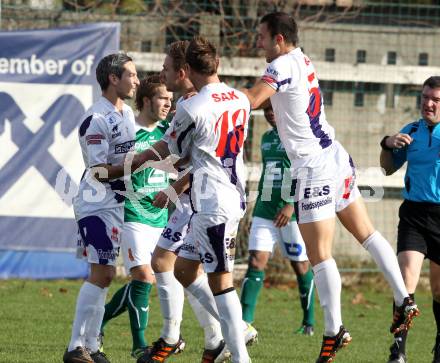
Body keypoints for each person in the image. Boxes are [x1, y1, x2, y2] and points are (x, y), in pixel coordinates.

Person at [241, 12, 419, 363]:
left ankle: (333, 331)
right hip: (335, 156)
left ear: (278, 39)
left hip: (313, 168)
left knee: (320, 254)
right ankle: (404, 298)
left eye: (261, 36)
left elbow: (252, 98)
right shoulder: (302, 58)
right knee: (367, 233)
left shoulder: (282, 65)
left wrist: (212, 95)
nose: (257, 42)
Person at [135, 36, 251, 363]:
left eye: (167, 68)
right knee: (184, 268)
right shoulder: (239, 98)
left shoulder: (192, 106)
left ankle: (240, 350)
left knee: (221, 282)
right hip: (227, 194)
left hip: (212, 201)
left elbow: (173, 152)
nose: (163, 72)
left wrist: (128, 165)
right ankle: (222, 338)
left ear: (186, 70)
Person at [63, 53, 139, 363]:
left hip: (116, 204)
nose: (136, 80)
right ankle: (75, 347)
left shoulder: (128, 114)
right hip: (94, 205)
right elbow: (98, 171)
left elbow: (128, 164)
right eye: (131, 75)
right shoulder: (95, 119)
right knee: (102, 272)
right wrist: (143, 160)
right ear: (113, 79)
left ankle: (92, 348)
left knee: (107, 274)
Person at [99, 76, 174, 360]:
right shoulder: (129, 134)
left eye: (170, 98)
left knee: (145, 282)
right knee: (143, 276)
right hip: (131, 214)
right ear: (145, 100)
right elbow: (111, 168)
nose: (168, 103)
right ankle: (139, 345)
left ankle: (99, 323)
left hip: (160, 217)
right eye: (162, 98)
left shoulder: (168, 132)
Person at [240, 104, 315, 336]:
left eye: (274, 108)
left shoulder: (298, 136)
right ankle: (244, 324)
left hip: (290, 214)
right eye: (266, 109)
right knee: (255, 261)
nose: (271, 112)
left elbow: (307, 171)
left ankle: (309, 322)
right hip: (264, 210)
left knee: (300, 264)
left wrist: (292, 205)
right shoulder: (265, 138)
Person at [380, 76, 440, 363]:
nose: (428, 103)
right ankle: (398, 350)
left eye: (435, 100)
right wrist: (388, 144)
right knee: (404, 281)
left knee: (439, 292)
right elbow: (388, 169)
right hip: (414, 214)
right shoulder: (411, 130)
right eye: (425, 97)